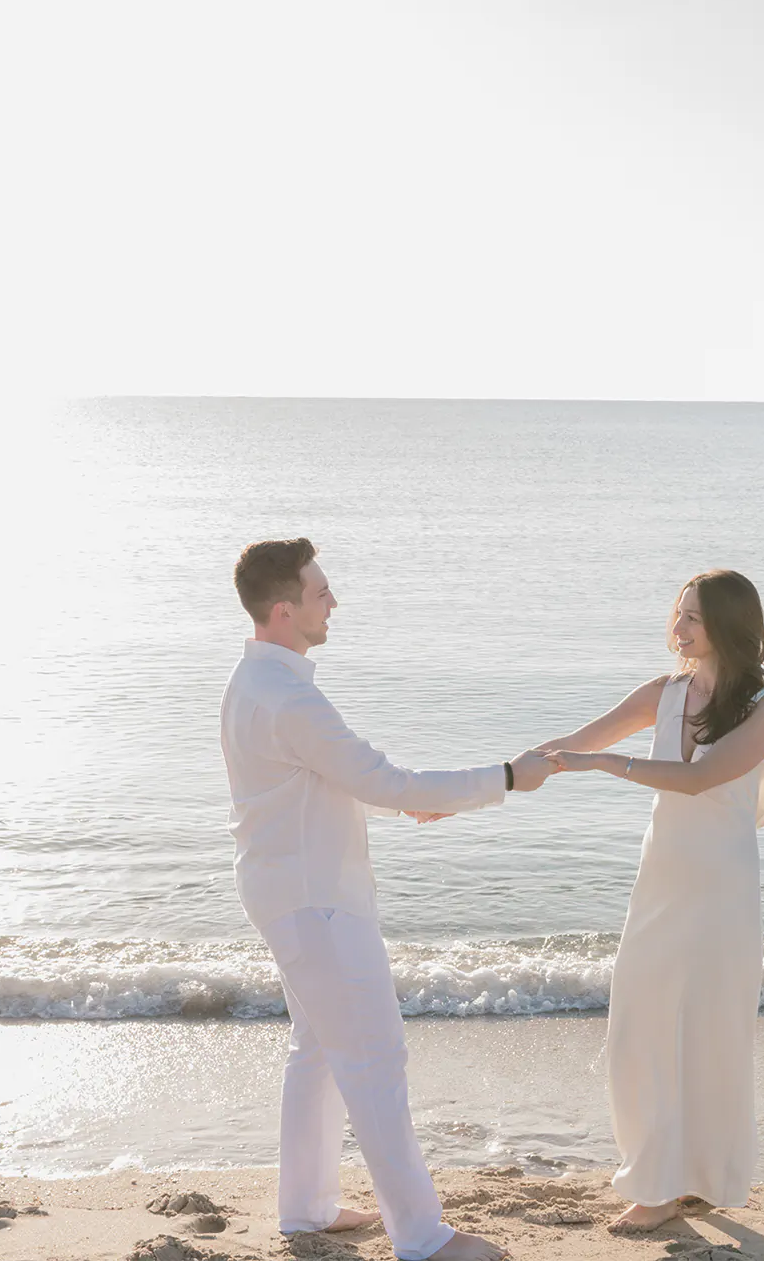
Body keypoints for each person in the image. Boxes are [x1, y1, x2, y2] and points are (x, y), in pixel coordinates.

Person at [220, 537, 555, 1261]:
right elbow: (384, 779)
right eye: (319, 593)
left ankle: (306, 1208)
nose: (332, 602)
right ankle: (424, 1238)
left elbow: (307, 785)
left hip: (283, 888)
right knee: (375, 1057)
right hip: (317, 903)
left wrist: (400, 802)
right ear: (284, 610)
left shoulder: (251, 683)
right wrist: (506, 776)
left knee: (317, 1049)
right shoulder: (291, 697)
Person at [540, 569, 764, 1232]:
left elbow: (702, 777)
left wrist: (604, 767)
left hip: (722, 887)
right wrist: (498, 777)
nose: (675, 630)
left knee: (711, 1031)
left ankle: (697, 1181)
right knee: (640, 1028)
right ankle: (654, 1179)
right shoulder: (665, 691)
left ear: (728, 628)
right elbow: (580, 740)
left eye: (691, 620)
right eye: (676, 615)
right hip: (662, 878)